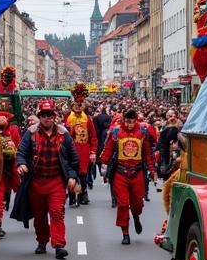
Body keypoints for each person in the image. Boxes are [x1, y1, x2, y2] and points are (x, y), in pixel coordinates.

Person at [16, 99, 79, 259]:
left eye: (50, 115)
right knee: (40, 215)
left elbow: (73, 158)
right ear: (40, 116)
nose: (47, 118)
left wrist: (72, 176)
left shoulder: (64, 134)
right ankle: (42, 241)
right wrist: (21, 164)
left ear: (54, 116)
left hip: (56, 180)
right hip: (36, 181)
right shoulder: (30, 133)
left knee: (57, 212)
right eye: (44, 115)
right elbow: (21, 153)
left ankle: (58, 245)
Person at [100, 108, 155, 245]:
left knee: (137, 202)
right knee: (123, 204)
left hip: (137, 172)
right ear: (123, 120)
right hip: (120, 172)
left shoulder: (142, 133)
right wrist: (104, 166)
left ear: (136, 121)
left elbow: (147, 153)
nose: (130, 124)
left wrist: (152, 170)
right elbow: (108, 150)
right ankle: (125, 233)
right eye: (127, 121)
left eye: (132, 121)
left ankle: (136, 216)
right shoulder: (116, 132)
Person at [64, 85, 97, 204]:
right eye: (75, 105)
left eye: (80, 104)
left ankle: (83, 194)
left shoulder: (87, 119)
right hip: (71, 149)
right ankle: (72, 196)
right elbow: (63, 134)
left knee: (83, 174)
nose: (78, 107)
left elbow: (93, 137)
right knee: (72, 173)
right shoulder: (67, 117)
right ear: (72, 106)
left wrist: (93, 151)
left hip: (84, 149)